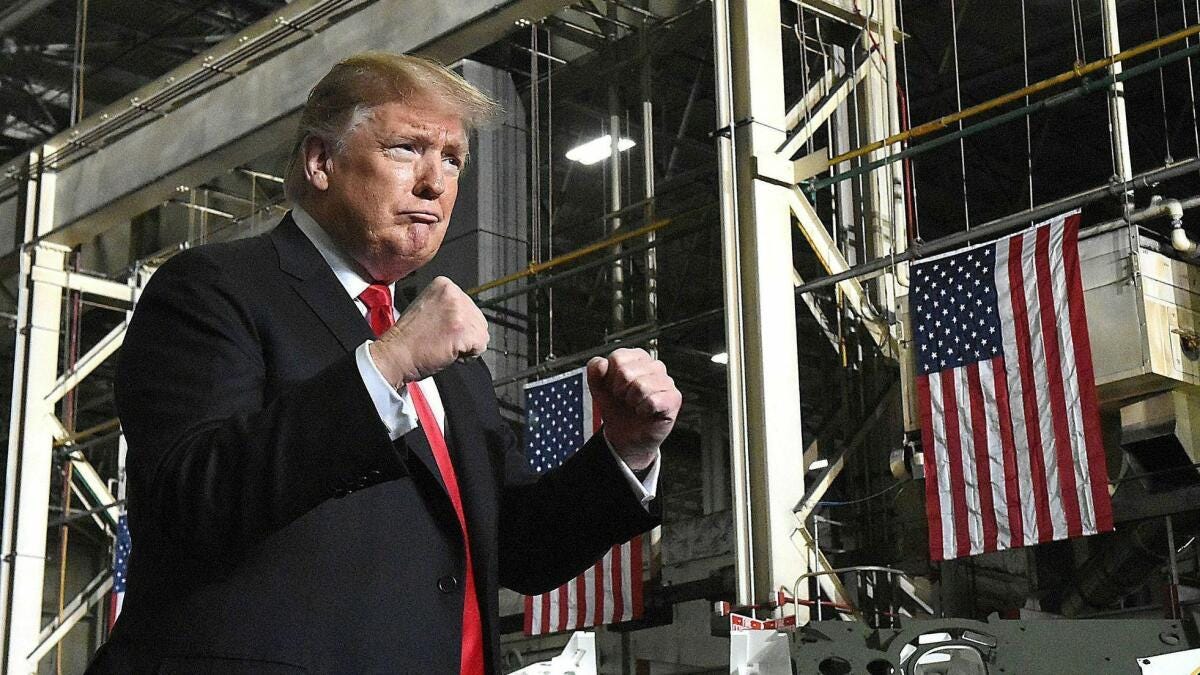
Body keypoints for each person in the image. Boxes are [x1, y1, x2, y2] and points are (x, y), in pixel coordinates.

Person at [88, 52, 681, 674]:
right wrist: (387, 363)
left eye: (452, 160)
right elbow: (190, 497)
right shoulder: (214, 287)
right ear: (321, 161)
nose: (435, 183)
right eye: (407, 148)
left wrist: (625, 450)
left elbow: (520, 549)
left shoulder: (451, 364)